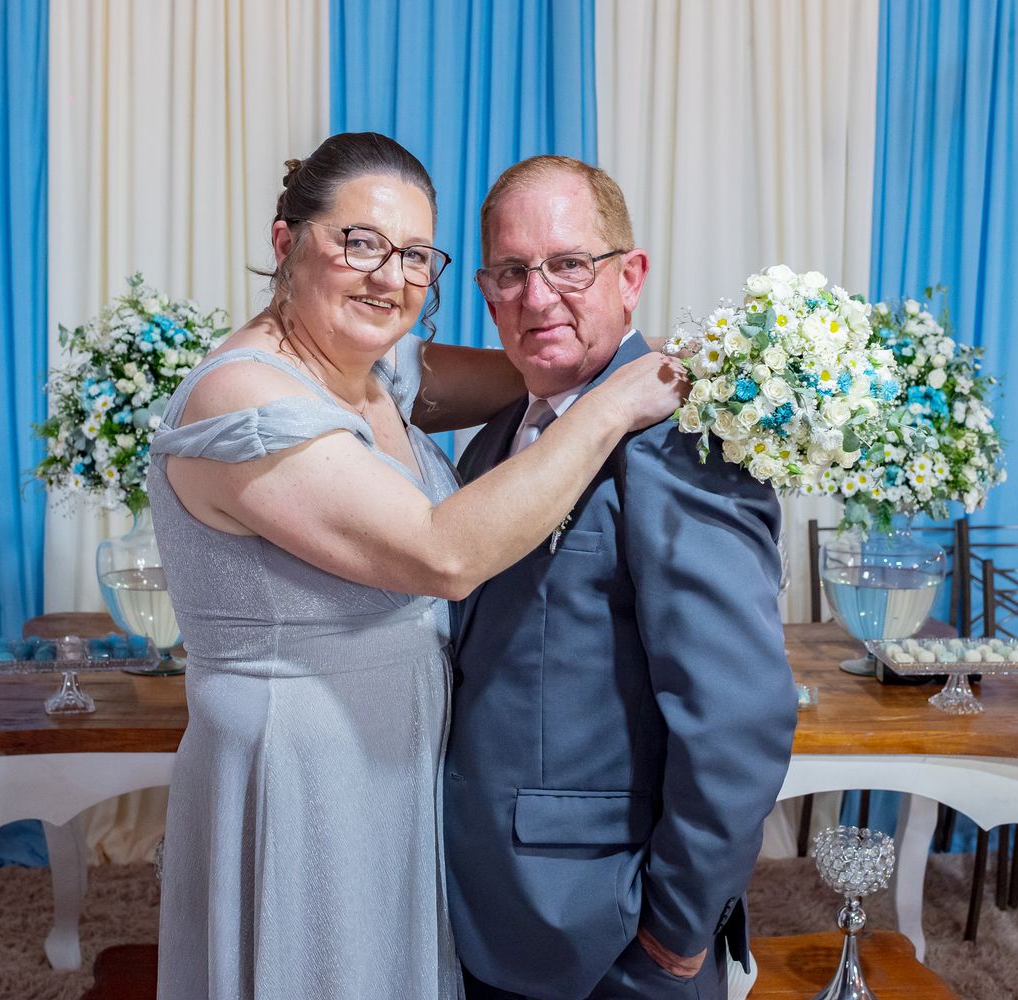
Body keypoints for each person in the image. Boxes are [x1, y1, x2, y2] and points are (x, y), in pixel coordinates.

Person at [147, 132, 688, 1000]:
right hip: (302, 774)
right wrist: (619, 402)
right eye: (359, 242)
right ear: (286, 243)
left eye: (413, 255)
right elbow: (445, 553)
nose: (389, 276)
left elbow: (537, 370)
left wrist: (621, 339)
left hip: (395, 761)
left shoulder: (374, 369)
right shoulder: (241, 397)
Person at [445, 155, 798, 1000]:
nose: (537, 297)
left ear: (630, 277)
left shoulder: (685, 446)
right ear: (487, 292)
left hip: (610, 931)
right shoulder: (492, 441)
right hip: (486, 904)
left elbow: (739, 716)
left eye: (569, 264)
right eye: (511, 272)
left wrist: (675, 929)